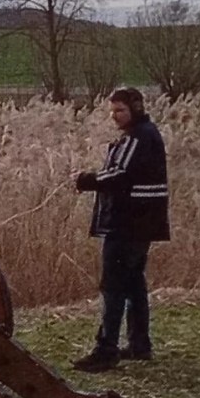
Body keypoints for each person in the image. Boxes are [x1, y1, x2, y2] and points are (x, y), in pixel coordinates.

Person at [71, 87, 170, 373]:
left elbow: (120, 175)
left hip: (128, 224)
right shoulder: (145, 134)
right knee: (134, 284)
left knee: (113, 287)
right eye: (112, 111)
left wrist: (84, 180)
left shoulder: (139, 137)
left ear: (135, 108)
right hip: (141, 224)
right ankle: (139, 344)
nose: (114, 116)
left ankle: (106, 350)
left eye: (120, 110)